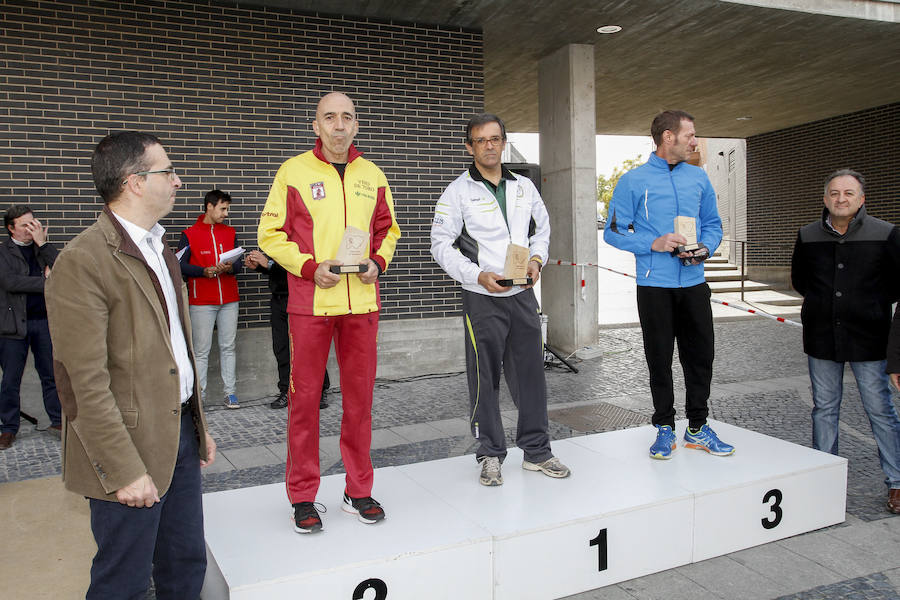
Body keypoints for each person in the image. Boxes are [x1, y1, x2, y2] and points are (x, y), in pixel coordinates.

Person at [45, 131, 216, 599]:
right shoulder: (83, 260)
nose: (178, 181)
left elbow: (173, 351)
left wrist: (198, 427)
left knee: (185, 563)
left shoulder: (161, 251)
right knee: (124, 581)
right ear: (134, 182)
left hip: (177, 434)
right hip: (127, 448)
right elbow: (80, 383)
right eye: (168, 171)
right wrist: (122, 469)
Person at [258, 92, 400, 533]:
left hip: (361, 304)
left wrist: (379, 262)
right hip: (312, 305)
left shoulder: (372, 174)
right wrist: (307, 266)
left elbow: (387, 229)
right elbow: (269, 233)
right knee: (305, 403)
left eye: (347, 118)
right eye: (330, 117)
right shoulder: (293, 172)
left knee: (360, 403)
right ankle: (303, 496)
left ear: (356, 126)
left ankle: (358, 491)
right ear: (315, 126)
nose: (339, 125)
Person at [430, 112, 570, 487]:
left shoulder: (525, 186)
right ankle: (490, 453)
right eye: (481, 140)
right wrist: (476, 275)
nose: (489, 146)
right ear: (469, 147)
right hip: (483, 298)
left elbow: (542, 228)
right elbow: (440, 245)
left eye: (495, 139)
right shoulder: (457, 192)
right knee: (485, 377)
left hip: (523, 295)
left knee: (530, 376)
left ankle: (537, 451)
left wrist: (538, 259)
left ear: (503, 142)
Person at [604, 109, 733, 460]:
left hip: (694, 283)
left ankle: (697, 428)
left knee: (700, 357)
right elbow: (613, 231)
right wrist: (653, 243)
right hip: (654, 286)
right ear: (667, 137)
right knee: (659, 359)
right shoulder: (633, 180)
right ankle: (664, 427)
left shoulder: (699, 178)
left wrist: (705, 247)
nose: (694, 141)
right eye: (690, 135)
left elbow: (713, 224)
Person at [791, 168, 900, 515]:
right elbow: (799, 280)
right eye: (834, 193)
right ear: (825, 199)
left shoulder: (886, 234)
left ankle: (897, 482)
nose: (841, 199)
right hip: (822, 337)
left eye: (848, 193)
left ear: (862, 199)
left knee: (880, 410)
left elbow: (897, 284)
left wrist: (867, 305)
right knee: (824, 409)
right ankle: (824, 479)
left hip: (870, 338)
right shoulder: (807, 235)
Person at [0, 205, 62, 449]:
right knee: (11, 379)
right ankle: (8, 428)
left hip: (44, 321)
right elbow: (10, 282)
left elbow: (62, 270)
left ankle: (57, 420)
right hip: (13, 324)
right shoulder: (3, 253)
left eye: (32, 223)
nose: (30, 228)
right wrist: (45, 281)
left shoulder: (41, 248)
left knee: (50, 374)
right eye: (24, 225)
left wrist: (44, 244)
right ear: (11, 228)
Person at [178, 189, 244, 409]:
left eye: (227, 209)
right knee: (201, 351)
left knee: (228, 347)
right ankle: (199, 396)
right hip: (202, 301)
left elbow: (238, 265)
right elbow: (179, 266)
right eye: (222, 208)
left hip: (229, 299)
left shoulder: (230, 232)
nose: (226, 213)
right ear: (209, 206)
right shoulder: (189, 233)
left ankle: (230, 394)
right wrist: (202, 271)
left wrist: (230, 267)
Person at [244, 249, 331, 410]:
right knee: (281, 348)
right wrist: (260, 266)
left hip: (300, 299)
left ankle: (320, 389)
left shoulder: (301, 237)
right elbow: (278, 268)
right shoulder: (278, 237)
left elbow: (297, 267)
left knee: (309, 348)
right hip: (278, 300)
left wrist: (268, 264)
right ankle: (286, 390)